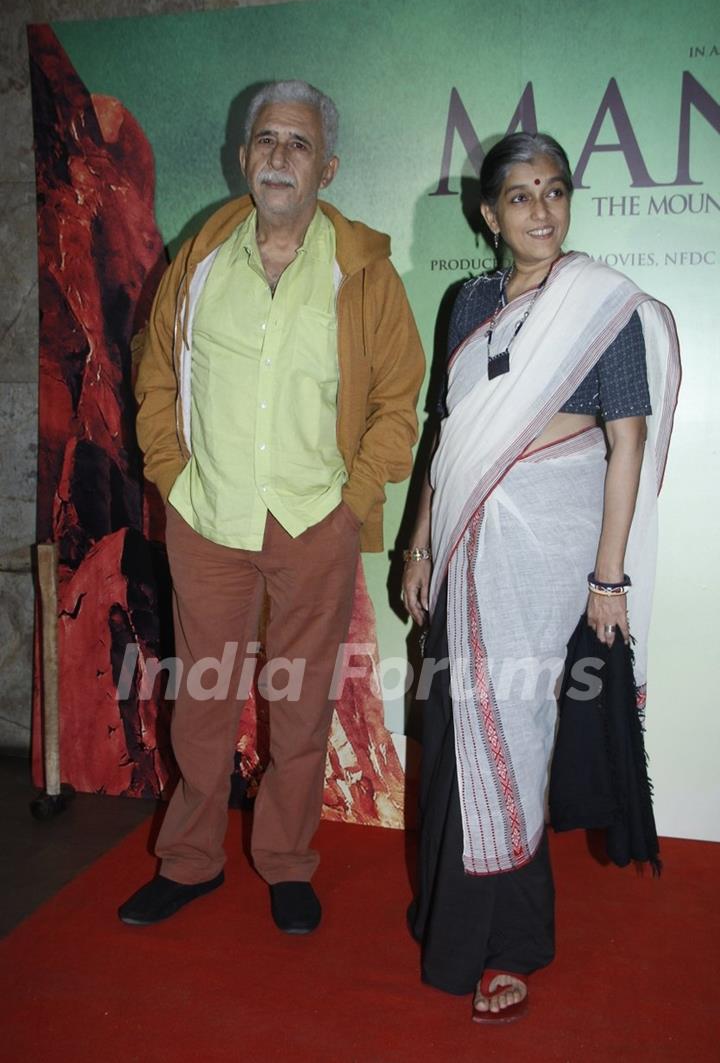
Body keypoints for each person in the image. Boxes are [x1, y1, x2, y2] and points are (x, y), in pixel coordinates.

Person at [119, 80, 424, 933]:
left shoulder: (361, 272)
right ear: (242, 157)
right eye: (265, 140)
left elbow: (400, 397)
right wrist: (173, 478)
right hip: (207, 519)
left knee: (298, 704)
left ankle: (287, 863)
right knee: (203, 704)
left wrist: (352, 500)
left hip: (312, 523)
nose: (278, 156)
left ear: (326, 166)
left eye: (297, 143)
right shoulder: (201, 258)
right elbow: (155, 372)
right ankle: (190, 861)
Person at [402, 132, 679, 1020]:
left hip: (544, 555)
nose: (541, 210)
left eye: (554, 191)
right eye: (519, 196)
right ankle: (452, 911)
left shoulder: (602, 306)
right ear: (489, 215)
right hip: (459, 544)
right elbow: (447, 433)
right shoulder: (467, 300)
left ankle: (512, 940)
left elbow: (625, 440)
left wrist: (610, 580)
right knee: (452, 731)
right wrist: (415, 542)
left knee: (511, 733)